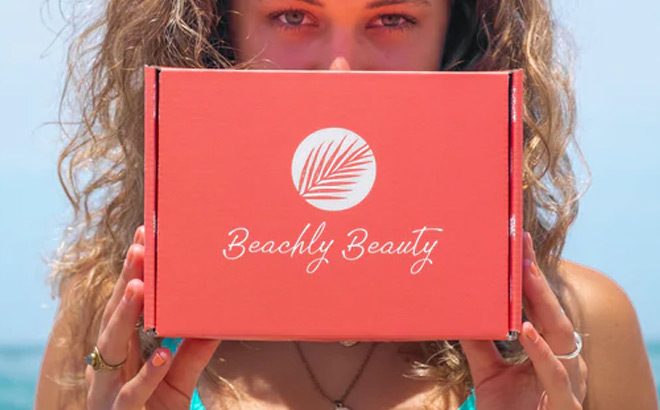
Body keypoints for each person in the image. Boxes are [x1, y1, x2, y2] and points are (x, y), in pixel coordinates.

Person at [34, 0, 658, 409]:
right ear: (215, 35)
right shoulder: (110, 320)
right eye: (292, 16)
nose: (340, 72)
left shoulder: (582, 325)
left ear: (458, 41)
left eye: (391, 18)